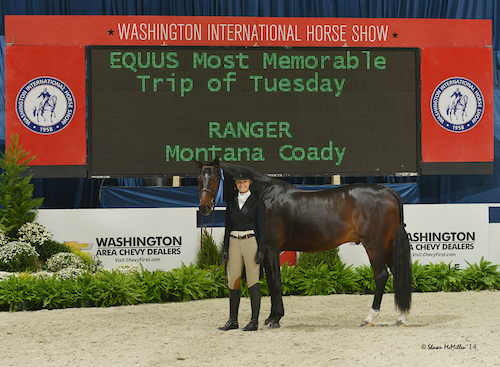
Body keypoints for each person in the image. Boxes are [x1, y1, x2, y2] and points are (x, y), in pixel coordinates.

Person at [218, 166, 266, 331]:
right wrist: (225, 247)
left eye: (244, 181)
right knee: (234, 281)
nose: (242, 184)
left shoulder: (258, 202)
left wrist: (261, 250)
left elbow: (262, 228)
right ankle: (233, 320)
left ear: (249, 183)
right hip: (233, 242)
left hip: (250, 241)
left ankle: (254, 321)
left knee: (253, 281)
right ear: (236, 184)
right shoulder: (231, 203)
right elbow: (227, 227)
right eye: (239, 182)